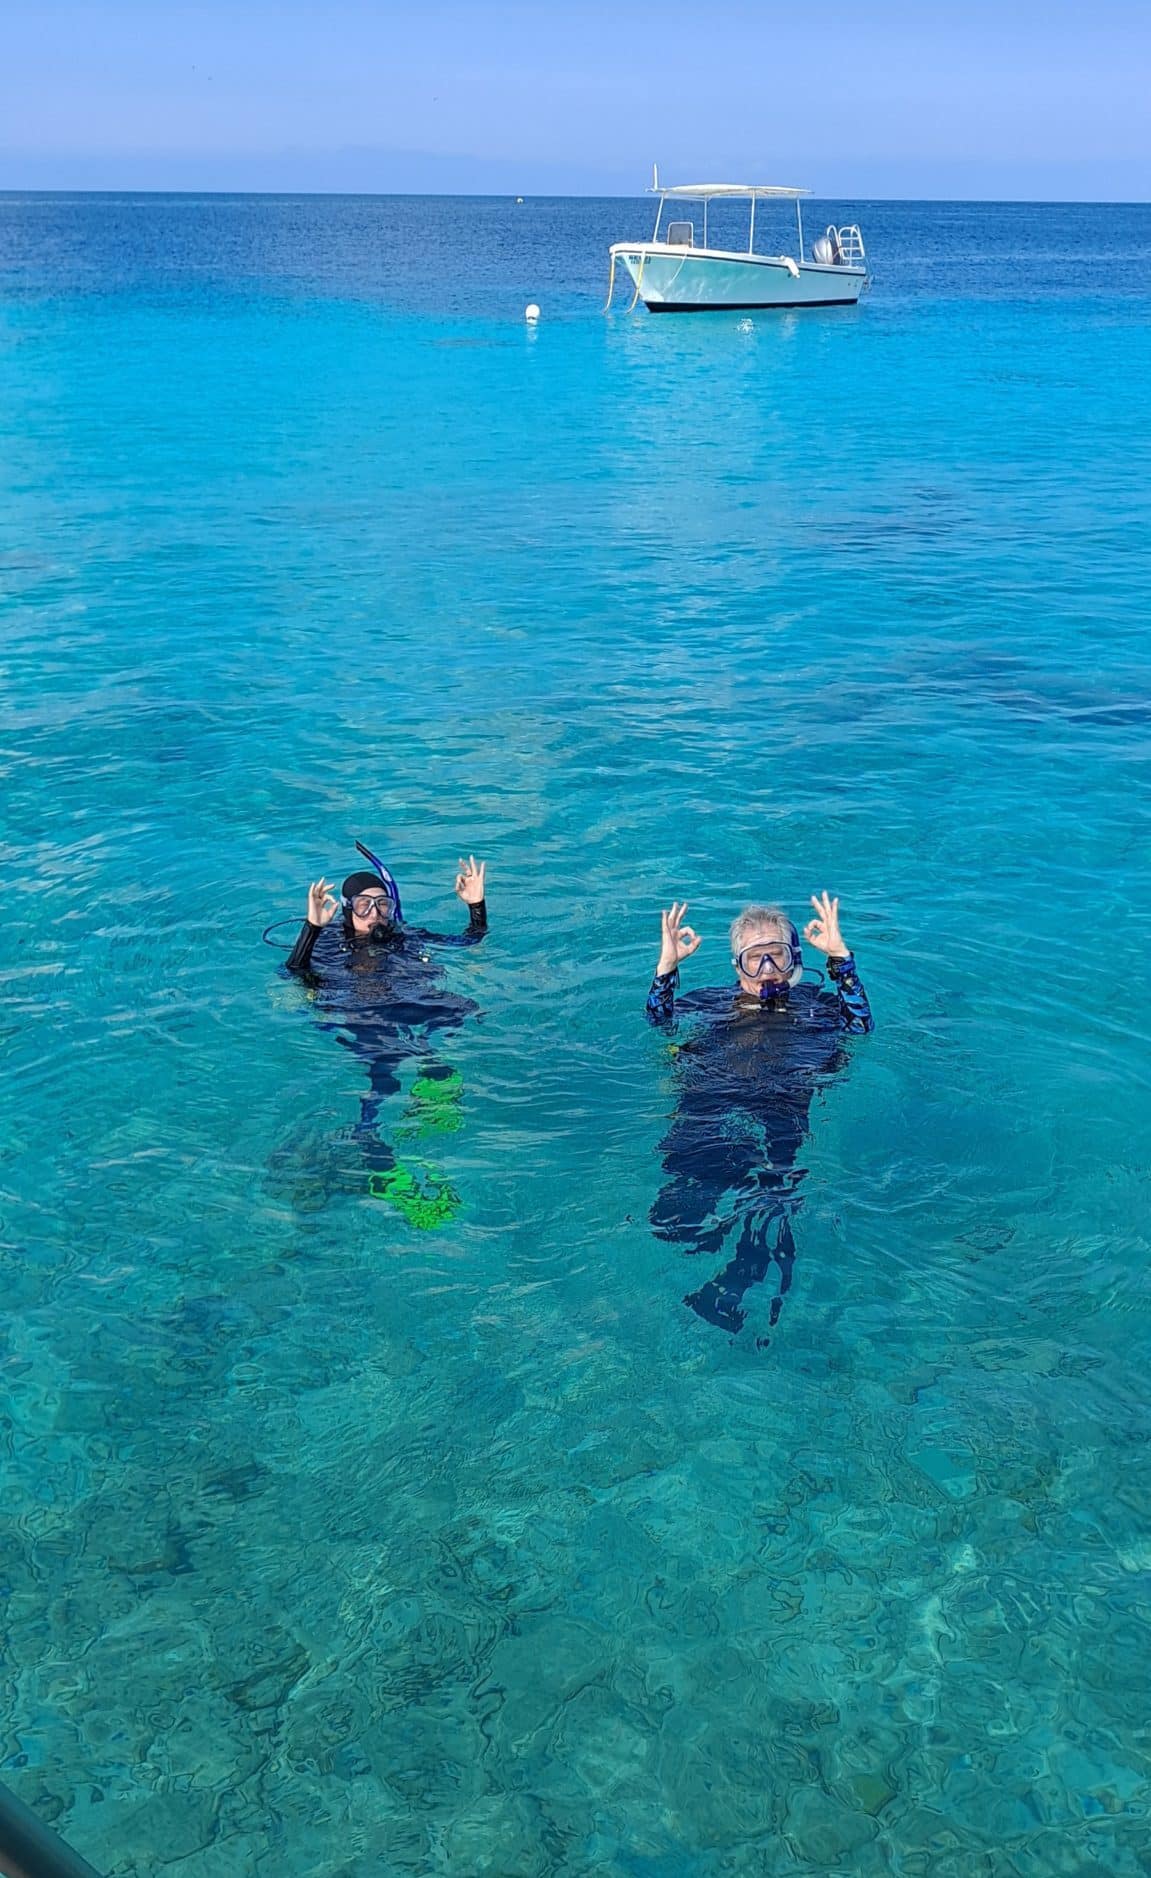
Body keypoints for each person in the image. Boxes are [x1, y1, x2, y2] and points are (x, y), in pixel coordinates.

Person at [645, 890, 873, 1341]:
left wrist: (841, 961)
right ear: (737, 967)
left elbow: (860, 1028)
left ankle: (740, 1279)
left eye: (778, 956)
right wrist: (667, 970)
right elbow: (659, 1024)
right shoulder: (711, 1002)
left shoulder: (819, 1006)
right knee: (673, 1222)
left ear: (796, 959)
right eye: (755, 959)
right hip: (712, 1105)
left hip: (782, 1106)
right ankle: (716, 1243)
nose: (767, 970)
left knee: (772, 1197)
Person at [281, 841, 488, 1228]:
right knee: (384, 1066)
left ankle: (431, 1088)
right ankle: (375, 1147)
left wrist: (475, 907)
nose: (375, 914)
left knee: (459, 1015)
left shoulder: (403, 936)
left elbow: (467, 941)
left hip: (411, 999)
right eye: (364, 906)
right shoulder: (330, 942)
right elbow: (294, 971)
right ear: (347, 911)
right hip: (364, 1011)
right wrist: (312, 928)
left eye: (382, 904)